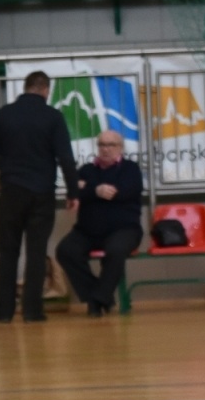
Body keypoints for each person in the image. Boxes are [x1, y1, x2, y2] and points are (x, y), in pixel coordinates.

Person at [0, 71, 78, 323]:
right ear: (46, 89)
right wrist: (73, 192)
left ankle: (3, 312)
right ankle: (33, 311)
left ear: (25, 88)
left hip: (11, 191)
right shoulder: (53, 117)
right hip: (42, 193)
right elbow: (65, 157)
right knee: (36, 251)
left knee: (8, 251)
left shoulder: (5, 114)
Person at [54, 130, 144, 317]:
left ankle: (97, 301)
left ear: (120, 148)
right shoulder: (86, 170)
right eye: (102, 145)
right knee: (65, 250)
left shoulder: (130, 168)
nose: (106, 149)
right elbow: (74, 194)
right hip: (87, 231)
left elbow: (128, 191)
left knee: (116, 250)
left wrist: (89, 188)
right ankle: (99, 296)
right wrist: (96, 190)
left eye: (111, 145)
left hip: (124, 229)